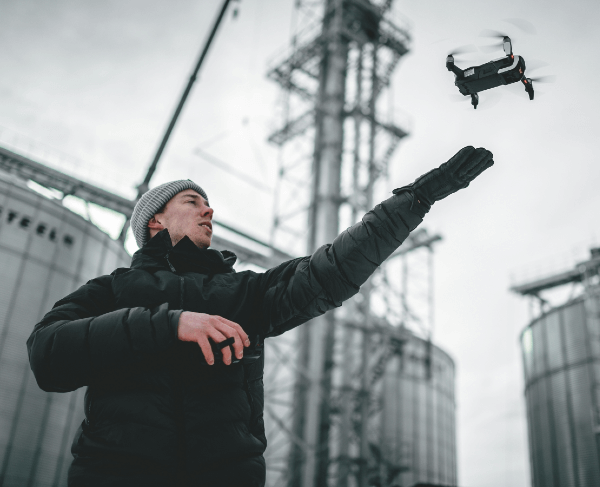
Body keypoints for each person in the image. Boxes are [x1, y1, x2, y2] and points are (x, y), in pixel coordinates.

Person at [27, 146, 494, 486]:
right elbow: (47, 354)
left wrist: (414, 200)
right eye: (192, 202)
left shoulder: (243, 293)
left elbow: (328, 272)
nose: (209, 209)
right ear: (155, 222)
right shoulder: (112, 290)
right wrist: (169, 325)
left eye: (208, 203)